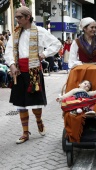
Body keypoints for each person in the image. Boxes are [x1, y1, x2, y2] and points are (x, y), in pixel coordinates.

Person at [4, 6, 61, 144]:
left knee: (35, 103)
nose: (17, 20)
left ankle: (39, 121)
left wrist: (44, 54)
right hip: (19, 71)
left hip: (34, 71)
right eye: (16, 17)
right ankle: (25, 132)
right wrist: (11, 64)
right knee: (20, 104)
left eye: (19, 17)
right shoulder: (15, 33)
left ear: (28, 17)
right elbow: (9, 50)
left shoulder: (40, 31)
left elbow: (56, 44)